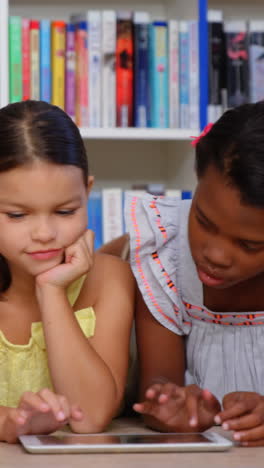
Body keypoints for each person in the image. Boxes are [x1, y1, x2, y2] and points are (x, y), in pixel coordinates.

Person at [125, 101, 264, 447]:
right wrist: (170, 405)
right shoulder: (165, 254)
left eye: (248, 245)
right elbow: (158, 380)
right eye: (203, 221)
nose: (215, 255)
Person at [0, 100, 134, 443]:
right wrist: (7, 423)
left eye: (64, 211)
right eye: (17, 215)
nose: (44, 233)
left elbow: (90, 417)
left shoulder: (111, 279)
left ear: (87, 193)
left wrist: (52, 291)